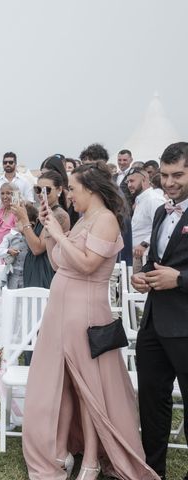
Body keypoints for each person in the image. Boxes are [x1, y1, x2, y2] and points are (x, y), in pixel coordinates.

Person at [22, 162, 159, 480]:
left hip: (84, 311)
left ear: (91, 190)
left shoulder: (107, 220)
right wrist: (51, 234)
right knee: (67, 384)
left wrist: (57, 232)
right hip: (61, 310)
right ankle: (60, 451)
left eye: (73, 188)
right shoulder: (84, 220)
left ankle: (93, 461)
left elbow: (86, 265)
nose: (69, 194)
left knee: (89, 389)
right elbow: (59, 263)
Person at [131, 142, 188, 480]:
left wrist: (179, 279)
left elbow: (176, 273)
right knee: (152, 404)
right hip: (153, 323)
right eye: (164, 175)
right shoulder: (160, 212)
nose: (169, 182)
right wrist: (145, 277)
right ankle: (153, 472)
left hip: (185, 326)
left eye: (178, 174)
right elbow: (158, 262)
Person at [12, 171, 71, 289]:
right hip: (34, 268)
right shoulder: (43, 212)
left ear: (59, 190)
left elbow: (37, 248)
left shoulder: (59, 215)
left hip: (45, 270)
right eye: (38, 189)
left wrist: (24, 219)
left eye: (47, 190)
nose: (41, 194)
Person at [127, 167, 165, 273]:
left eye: (132, 181)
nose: (129, 185)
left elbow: (162, 225)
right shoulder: (141, 199)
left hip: (146, 257)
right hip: (138, 255)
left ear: (144, 180)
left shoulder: (153, 199)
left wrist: (144, 244)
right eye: (128, 182)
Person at [0, 203, 38, 289]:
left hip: (28, 276)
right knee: (12, 295)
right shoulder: (10, 236)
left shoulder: (33, 238)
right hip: (13, 274)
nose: (15, 223)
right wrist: (8, 251)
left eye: (19, 220)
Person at [0, 152, 34, 225]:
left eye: (10, 162)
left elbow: (31, 203)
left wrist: (22, 201)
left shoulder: (24, 182)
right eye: (5, 162)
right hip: (2, 220)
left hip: (19, 220)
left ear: (15, 164)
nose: (7, 164)